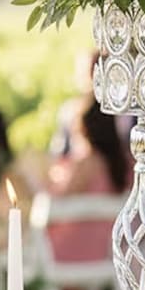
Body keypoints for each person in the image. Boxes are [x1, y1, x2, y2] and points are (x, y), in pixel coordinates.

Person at [45, 91, 129, 266]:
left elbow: (56, 199)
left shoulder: (87, 162)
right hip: (102, 251)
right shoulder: (122, 163)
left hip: (72, 251)